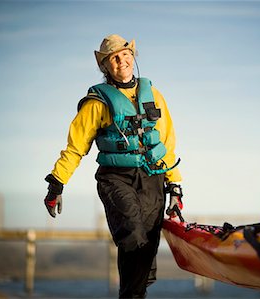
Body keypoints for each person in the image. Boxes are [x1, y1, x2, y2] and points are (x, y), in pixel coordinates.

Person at [43, 34, 184, 298]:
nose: (122, 61)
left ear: (133, 56)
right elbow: (75, 147)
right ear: (105, 67)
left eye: (126, 55)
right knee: (132, 235)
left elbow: (167, 142)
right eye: (114, 58)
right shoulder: (97, 103)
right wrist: (56, 184)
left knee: (146, 249)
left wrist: (175, 186)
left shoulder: (153, 94)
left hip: (153, 178)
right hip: (116, 178)